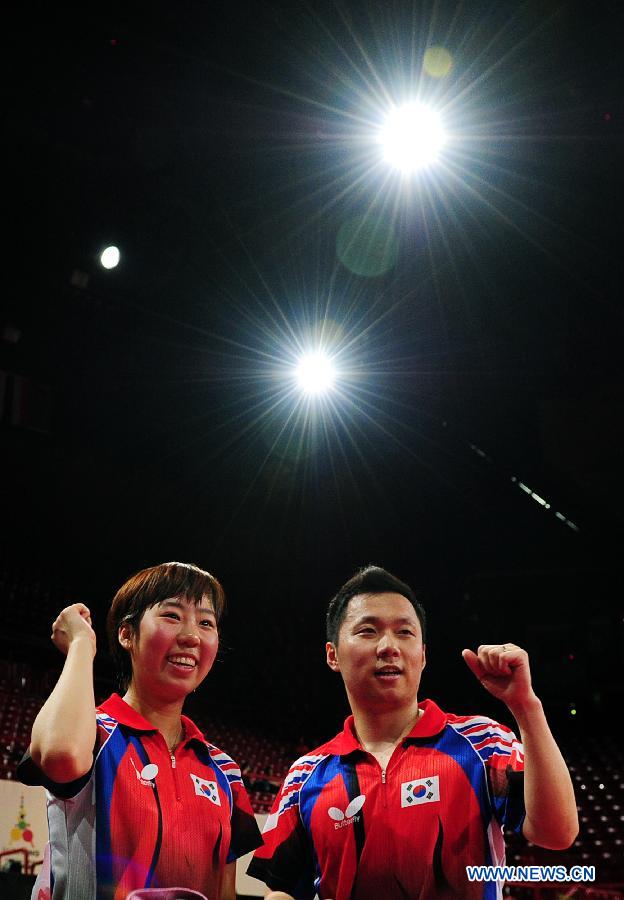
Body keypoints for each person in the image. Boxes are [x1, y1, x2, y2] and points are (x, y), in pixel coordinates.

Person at [248, 565, 578, 900]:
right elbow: (281, 890)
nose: (389, 646)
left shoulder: (483, 742)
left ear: (422, 656)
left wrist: (526, 707)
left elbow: (558, 833)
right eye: (368, 631)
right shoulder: (305, 776)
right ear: (333, 655)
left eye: (405, 632)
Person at [19, 561, 262, 900]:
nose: (192, 635)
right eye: (172, 616)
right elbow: (60, 755)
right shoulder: (94, 734)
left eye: (206, 622)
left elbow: (224, 890)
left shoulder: (224, 770)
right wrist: (81, 645)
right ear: (126, 634)